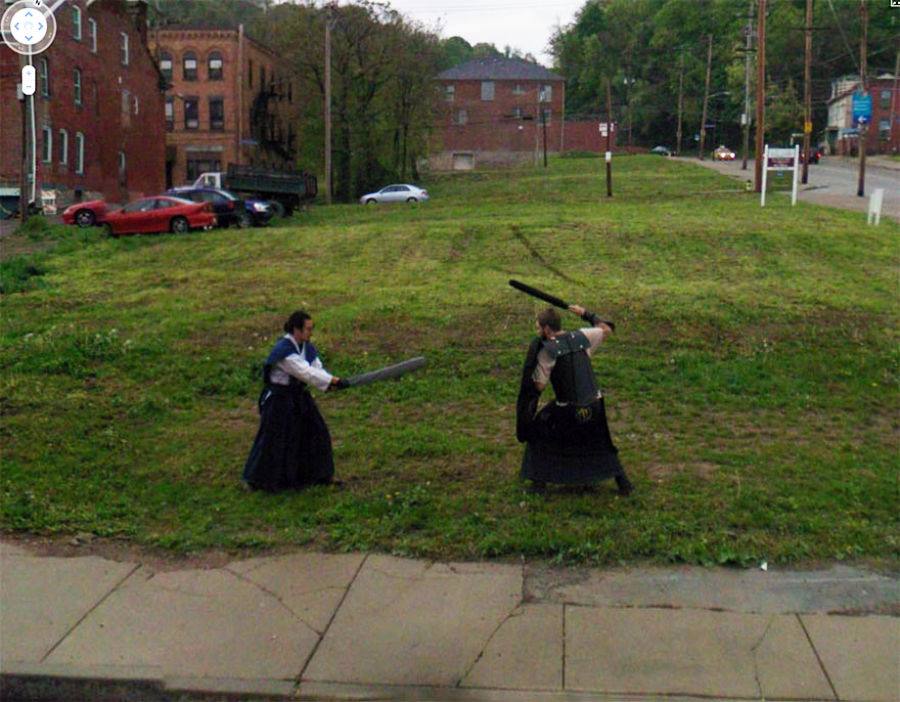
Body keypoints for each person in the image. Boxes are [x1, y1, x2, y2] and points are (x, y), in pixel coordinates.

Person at [516, 305, 633, 496]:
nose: (538, 332)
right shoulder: (583, 336)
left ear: (547, 329)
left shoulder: (547, 352)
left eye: (538, 328)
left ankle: (539, 482)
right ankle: (622, 482)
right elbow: (606, 328)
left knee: (538, 429)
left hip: (568, 410)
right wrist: (586, 314)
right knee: (600, 441)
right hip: (595, 405)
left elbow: (539, 386)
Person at [243, 311, 347, 491]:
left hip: (298, 396)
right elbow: (304, 372)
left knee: (317, 431)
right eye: (308, 329)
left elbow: (316, 368)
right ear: (296, 330)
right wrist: (332, 381)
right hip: (279, 400)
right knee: (275, 439)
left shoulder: (307, 347)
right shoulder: (284, 351)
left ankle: (320, 474)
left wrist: (329, 382)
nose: (311, 332)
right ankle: (260, 480)